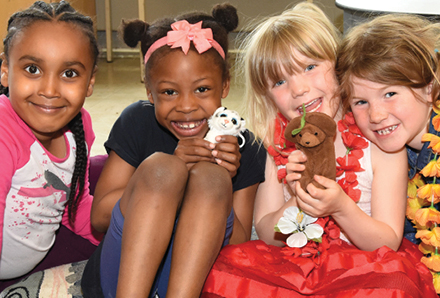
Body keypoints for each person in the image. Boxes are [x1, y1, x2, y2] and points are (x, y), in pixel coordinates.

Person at [201, 2, 437, 297]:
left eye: (310, 67)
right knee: (225, 271)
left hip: (364, 270)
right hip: (293, 266)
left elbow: (388, 240)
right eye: (279, 81)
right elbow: (266, 234)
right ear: (267, 95)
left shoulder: (377, 140)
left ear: (338, 66)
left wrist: (340, 206)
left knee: (394, 284)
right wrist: (298, 200)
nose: (298, 89)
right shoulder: (275, 148)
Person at [81, 3, 266, 298]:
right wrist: (174, 169)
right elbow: (100, 216)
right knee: (163, 168)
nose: (187, 106)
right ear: (149, 93)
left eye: (202, 89)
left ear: (225, 85)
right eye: (169, 92)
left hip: (189, 282)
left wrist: (222, 182)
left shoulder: (243, 146)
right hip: (120, 278)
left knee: (211, 177)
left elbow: (240, 241)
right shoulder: (137, 122)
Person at [0, 0, 101, 291]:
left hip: (42, 249)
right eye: (33, 69)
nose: (49, 90)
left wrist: (117, 240)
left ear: (90, 82)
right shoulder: (4, 132)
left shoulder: (80, 125)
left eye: (69, 73)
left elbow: (77, 204)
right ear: (6, 70)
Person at [336, 13, 440, 293]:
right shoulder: (382, 152)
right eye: (360, 101)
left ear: (430, 88)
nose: (376, 114)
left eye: (390, 93)